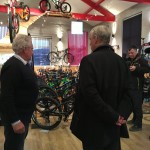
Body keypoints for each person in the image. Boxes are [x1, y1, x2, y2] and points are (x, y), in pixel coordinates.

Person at [70, 24, 132, 150]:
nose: (90, 43)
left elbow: (90, 95)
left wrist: (113, 116)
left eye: (90, 40)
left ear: (96, 39)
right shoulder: (122, 62)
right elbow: (130, 92)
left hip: (94, 123)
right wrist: (120, 116)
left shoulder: (88, 61)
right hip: (115, 124)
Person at [0, 34, 39, 150]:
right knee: (14, 146)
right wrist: (15, 121)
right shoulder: (12, 66)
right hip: (17, 118)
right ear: (24, 49)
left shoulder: (22, 64)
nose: (32, 51)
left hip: (23, 116)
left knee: (18, 145)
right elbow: (7, 96)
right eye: (31, 48)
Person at [126, 46, 149, 131]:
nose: (130, 54)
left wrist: (137, 68)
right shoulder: (130, 60)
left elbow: (147, 69)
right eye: (129, 53)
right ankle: (134, 119)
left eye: (132, 52)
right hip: (131, 86)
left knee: (137, 106)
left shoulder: (141, 60)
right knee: (133, 105)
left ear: (136, 51)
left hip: (138, 88)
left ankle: (138, 125)